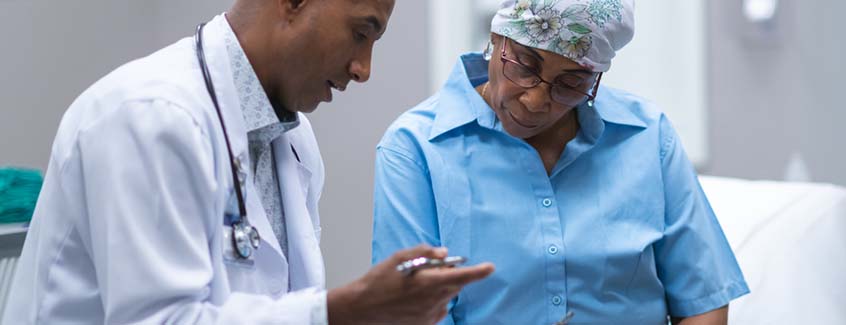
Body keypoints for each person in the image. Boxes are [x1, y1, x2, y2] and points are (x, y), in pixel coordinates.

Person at [3, 0, 493, 323]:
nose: (363, 69)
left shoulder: (293, 140)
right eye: (361, 33)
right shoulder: (149, 116)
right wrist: (347, 310)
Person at [371, 0, 748, 323]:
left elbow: (704, 302)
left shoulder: (648, 137)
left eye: (570, 83)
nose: (535, 102)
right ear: (496, 38)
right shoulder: (416, 150)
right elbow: (410, 315)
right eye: (524, 65)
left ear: (595, 78)